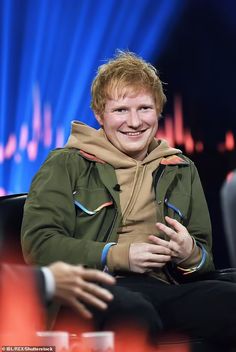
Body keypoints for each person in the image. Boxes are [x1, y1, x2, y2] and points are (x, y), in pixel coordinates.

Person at [21, 51, 236, 347]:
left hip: (165, 287)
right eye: (121, 110)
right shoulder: (65, 164)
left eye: (144, 108)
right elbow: (39, 244)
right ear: (100, 114)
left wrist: (190, 254)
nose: (134, 122)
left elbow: (204, 258)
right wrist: (119, 255)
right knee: (135, 314)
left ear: (158, 111)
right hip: (92, 289)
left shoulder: (180, 168)